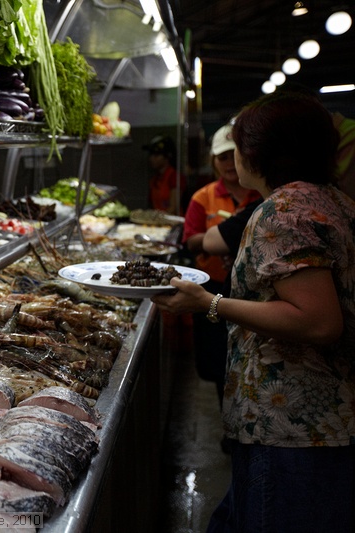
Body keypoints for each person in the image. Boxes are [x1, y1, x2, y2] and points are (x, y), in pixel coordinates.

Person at [152, 91, 355, 532]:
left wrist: (210, 303)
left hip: (294, 426)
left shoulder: (284, 212)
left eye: (240, 145)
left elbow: (319, 321)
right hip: (323, 420)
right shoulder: (331, 199)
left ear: (261, 154)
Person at [182, 123, 262, 407]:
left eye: (234, 155)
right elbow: (189, 240)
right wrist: (217, 239)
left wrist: (230, 237)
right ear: (213, 161)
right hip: (213, 287)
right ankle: (229, 421)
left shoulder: (262, 193)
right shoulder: (202, 197)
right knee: (218, 362)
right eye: (222, 157)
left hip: (253, 292)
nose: (229, 163)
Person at [143, 135, 183, 215]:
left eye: (156, 155)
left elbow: (173, 208)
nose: (152, 158)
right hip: (158, 224)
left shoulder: (174, 177)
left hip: (173, 223)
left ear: (167, 156)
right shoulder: (154, 179)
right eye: (151, 155)